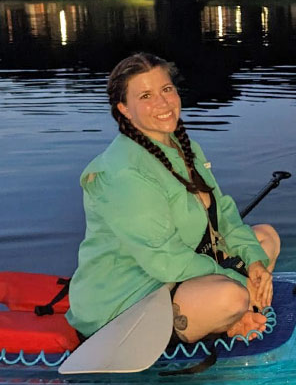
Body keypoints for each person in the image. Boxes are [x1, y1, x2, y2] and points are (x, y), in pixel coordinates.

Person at [66, 53, 281, 344]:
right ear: (124, 109)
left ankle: (236, 315)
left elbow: (225, 215)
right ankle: (233, 314)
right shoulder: (122, 171)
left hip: (181, 273)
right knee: (231, 296)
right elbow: (164, 261)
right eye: (145, 95)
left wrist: (254, 263)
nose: (163, 103)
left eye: (166, 89)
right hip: (130, 296)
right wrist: (241, 282)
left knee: (266, 238)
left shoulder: (184, 146)